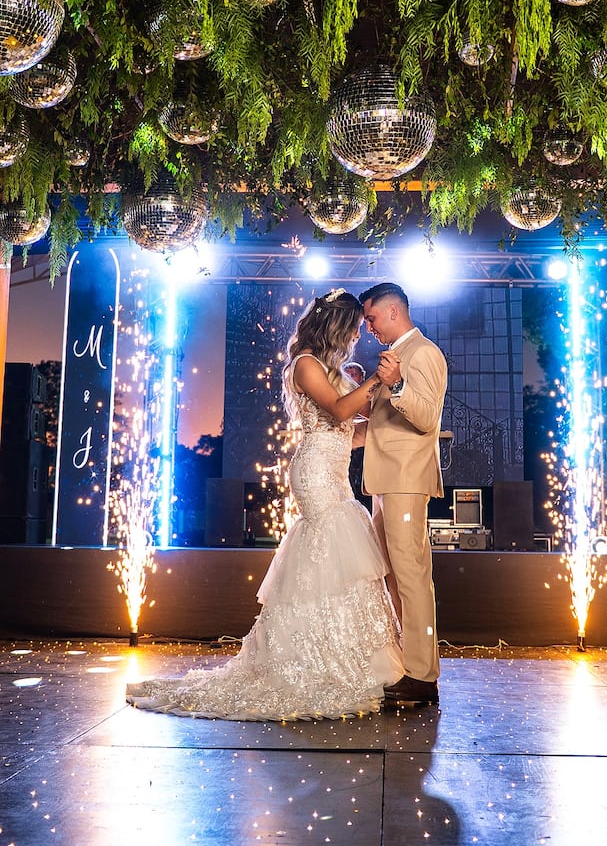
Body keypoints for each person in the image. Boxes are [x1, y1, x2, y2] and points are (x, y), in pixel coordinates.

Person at [126, 289, 403, 720]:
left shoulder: (331, 368)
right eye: (352, 329)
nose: (356, 337)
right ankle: (309, 662)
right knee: (328, 548)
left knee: (343, 558)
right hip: (314, 473)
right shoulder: (306, 365)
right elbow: (335, 411)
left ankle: (345, 653)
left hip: (335, 467)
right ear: (336, 327)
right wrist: (373, 382)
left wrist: (388, 427)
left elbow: (352, 431)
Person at [359, 282, 448, 706]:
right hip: (384, 481)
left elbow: (427, 417)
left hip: (406, 481)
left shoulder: (424, 353)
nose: (368, 327)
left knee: (412, 578)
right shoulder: (396, 358)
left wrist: (395, 386)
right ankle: (406, 666)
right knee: (396, 577)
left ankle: (422, 675)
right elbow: (382, 425)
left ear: (393, 312)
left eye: (372, 318)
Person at [342, 360, 372, 512]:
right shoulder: (338, 395)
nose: (349, 377)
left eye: (353, 374)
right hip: (344, 448)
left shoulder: (368, 395)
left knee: (363, 488)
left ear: (362, 377)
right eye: (347, 374)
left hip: (364, 449)